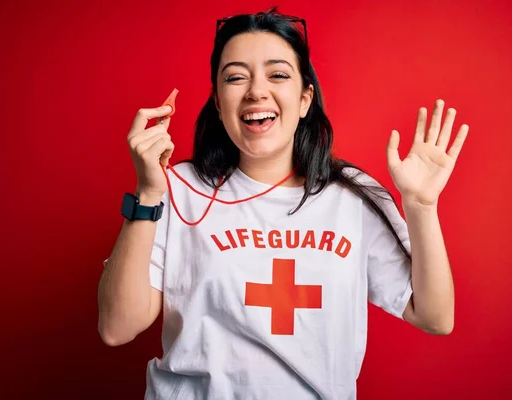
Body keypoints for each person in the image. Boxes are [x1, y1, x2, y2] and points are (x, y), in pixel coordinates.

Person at [97, 7, 469, 399]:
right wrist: (148, 194)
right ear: (219, 104)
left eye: (277, 74)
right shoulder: (178, 188)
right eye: (236, 77)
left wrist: (422, 207)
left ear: (305, 98)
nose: (257, 91)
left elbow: (434, 316)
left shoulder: (353, 197)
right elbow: (117, 327)